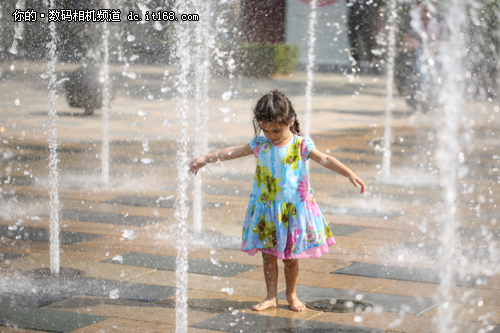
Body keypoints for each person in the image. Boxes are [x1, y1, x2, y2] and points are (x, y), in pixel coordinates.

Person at [189, 89, 366, 312]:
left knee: (290, 257)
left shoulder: (301, 144)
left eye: (276, 130)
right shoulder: (260, 144)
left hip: (292, 210)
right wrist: (206, 159)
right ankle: (271, 296)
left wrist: (349, 173)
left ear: (290, 121)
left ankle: (291, 295)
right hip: (267, 209)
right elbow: (233, 151)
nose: (271, 135)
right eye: (265, 129)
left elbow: (326, 159)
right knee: (268, 255)